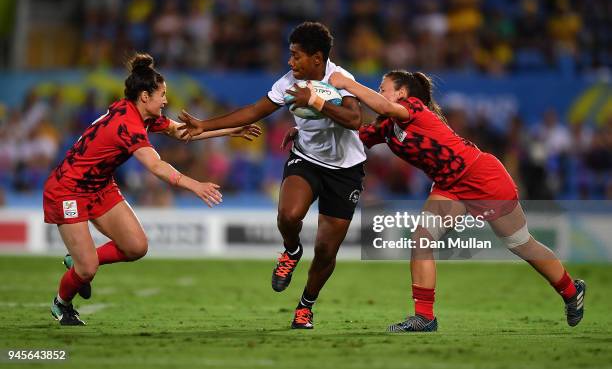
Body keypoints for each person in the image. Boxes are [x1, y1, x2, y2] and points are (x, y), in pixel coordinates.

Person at [311, 70, 584, 332]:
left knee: (521, 244)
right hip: (449, 185)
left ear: (402, 93)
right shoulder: (386, 127)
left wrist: (347, 83)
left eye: (383, 88)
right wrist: (310, 129)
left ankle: (572, 291)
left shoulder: (414, 107)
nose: (379, 93)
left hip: (482, 177)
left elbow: (383, 106)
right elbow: (350, 136)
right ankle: (424, 318)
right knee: (421, 240)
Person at [43, 53, 261, 325]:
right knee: (87, 269)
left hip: (100, 185)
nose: (166, 100)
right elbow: (155, 166)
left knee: (136, 247)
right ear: (145, 96)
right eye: (163, 95)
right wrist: (195, 185)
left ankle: (77, 262)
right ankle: (61, 304)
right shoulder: (128, 124)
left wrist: (230, 130)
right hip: (69, 189)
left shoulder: (138, 114)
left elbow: (183, 133)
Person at [178, 22, 366, 329]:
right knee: (288, 215)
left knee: (326, 250)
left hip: (346, 169)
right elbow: (254, 110)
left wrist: (315, 101)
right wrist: (205, 125)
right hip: (306, 158)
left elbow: (355, 119)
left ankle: (305, 306)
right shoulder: (289, 81)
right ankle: (291, 250)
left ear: (317, 58)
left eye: (296, 56)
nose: (290, 62)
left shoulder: (340, 79)